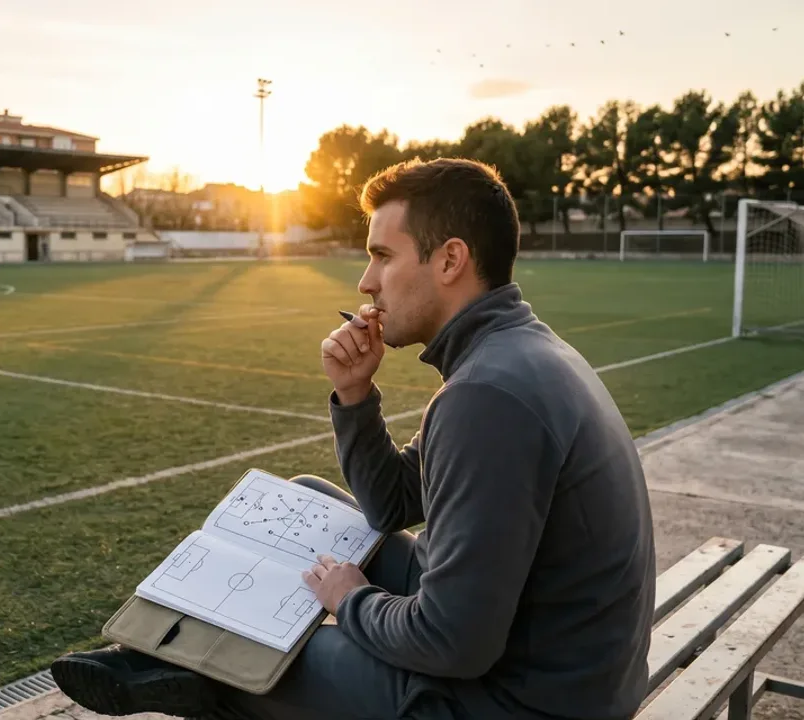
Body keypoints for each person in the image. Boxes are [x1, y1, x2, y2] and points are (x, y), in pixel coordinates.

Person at [50, 157, 657, 720]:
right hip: (559, 666)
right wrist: (355, 395)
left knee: (266, 657)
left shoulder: (487, 396)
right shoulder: (514, 354)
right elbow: (392, 505)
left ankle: (191, 673)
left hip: (527, 702)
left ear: (450, 260)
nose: (366, 282)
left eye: (383, 256)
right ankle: (165, 660)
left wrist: (352, 600)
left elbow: (452, 643)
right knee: (305, 499)